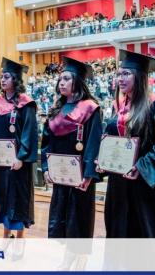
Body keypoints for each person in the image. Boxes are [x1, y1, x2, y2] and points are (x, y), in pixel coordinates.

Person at [100, 50, 155, 238]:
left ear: (140, 76)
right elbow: (111, 140)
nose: (120, 78)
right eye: (119, 74)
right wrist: (103, 161)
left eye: (126, 73)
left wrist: (141, 167)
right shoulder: (118, 106)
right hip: (119, 182)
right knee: (119, 227)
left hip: (144, 184)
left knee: (146, 229)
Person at [41, 57, 103, 239]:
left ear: (79, 81)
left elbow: (94, 143)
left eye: (67, 78)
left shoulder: (90, 109)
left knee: (79, 218)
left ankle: (77, 258)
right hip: (60, 174)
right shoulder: (56, 109)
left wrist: (89, 174)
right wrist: (45, 168)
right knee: (60, 215)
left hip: (80, 176)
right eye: (60, 79)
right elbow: (46, 144)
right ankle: (68, 256)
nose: (62, 82)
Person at [0, 57, 37, 250]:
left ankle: (20, 236)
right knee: (3, 197)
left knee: (17, 198)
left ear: (16, 80)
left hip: (17, 162)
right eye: (1, 77)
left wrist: (22, 157)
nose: (2, 80)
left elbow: (30, 132)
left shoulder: (26, 104)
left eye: (6, 77)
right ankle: (6, 235)